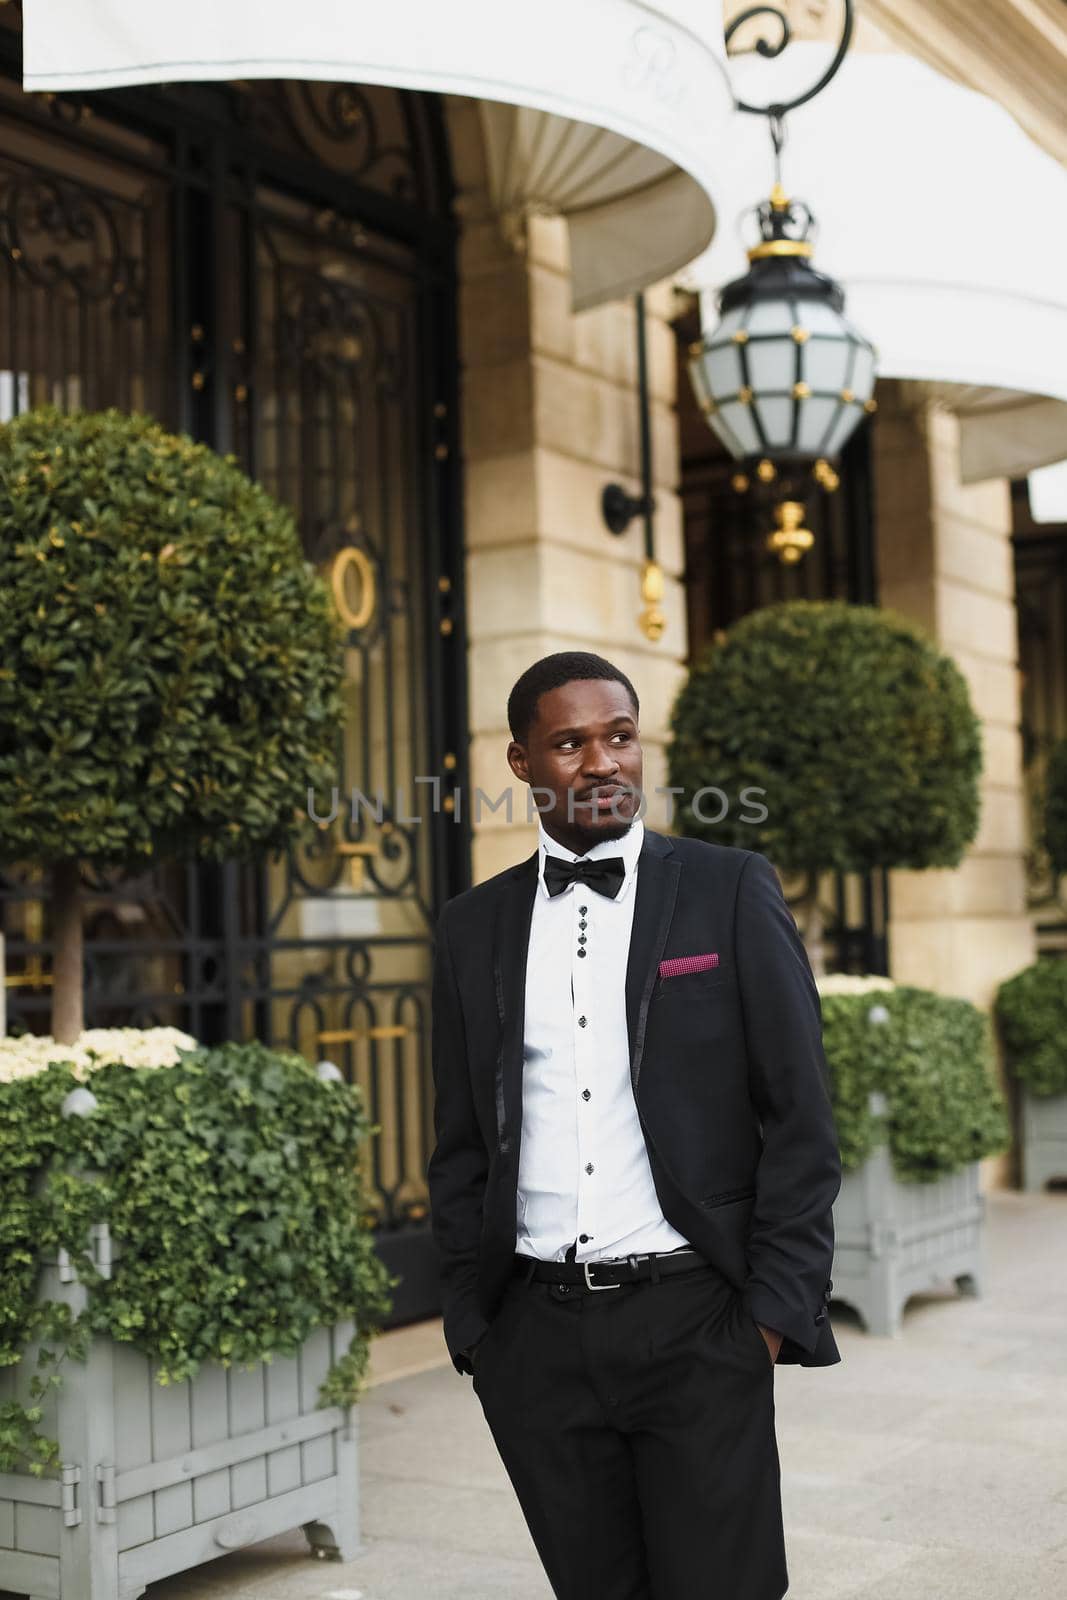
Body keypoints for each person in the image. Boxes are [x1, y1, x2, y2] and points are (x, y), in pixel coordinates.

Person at [427, 650, 841, 1600]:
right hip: (533, 1336)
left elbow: (800, 1116)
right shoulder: (469, 926)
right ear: (522, 761)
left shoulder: (727, 887)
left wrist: (771, 1314)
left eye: (619, 735)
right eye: (569, 743)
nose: (603, 762)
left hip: (694, 1319)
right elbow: (459, 1140)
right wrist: (474, 1323)